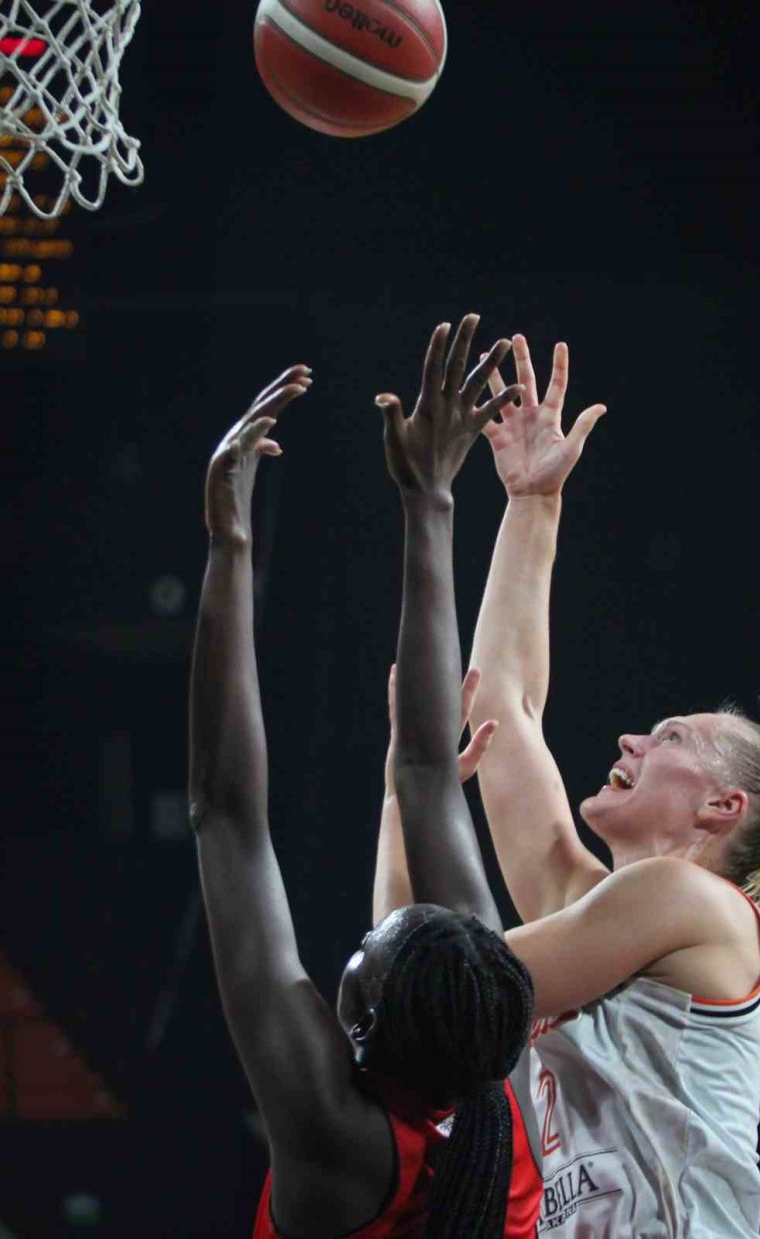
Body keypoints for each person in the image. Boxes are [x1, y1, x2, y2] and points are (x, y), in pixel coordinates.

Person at [375, 334, 760, 1236]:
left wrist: (412, 799)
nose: (632, 736)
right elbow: (504, 708)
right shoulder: (599, 914)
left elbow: (451, 985)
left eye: (672, 736)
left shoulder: (690, 901)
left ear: (722, 807)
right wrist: (531, 503)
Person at [188, 324, 542, 1239]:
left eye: (369, 945)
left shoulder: (339, 1139)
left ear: (359, 1014)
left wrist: (232, 546)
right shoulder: (479, 1065)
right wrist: (429, 500)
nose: (386, 915)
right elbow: (426, 765)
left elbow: (229, 818)